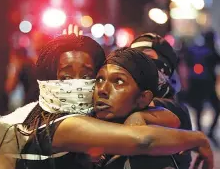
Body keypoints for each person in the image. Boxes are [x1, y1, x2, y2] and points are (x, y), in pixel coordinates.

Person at [15, 34, 213, 169]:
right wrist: (199, 139)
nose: (102, 89)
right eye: (99, 79)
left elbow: (173, 113)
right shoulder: (60, 124)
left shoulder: (109, 118)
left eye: (86, 77)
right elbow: (143, 140)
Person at [93, 47, 187, 168]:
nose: (102, 90)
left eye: (119, 81)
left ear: (143, 98)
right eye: (99, 79)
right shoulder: (85, 126)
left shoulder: (149, 159)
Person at [130, 33, 193, 168]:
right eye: (134, 58)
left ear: (166, 68)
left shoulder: (176, 110)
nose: (140, 64)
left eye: (148, 57)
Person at [184, 31, 220, 145]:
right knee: (216, 108)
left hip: (195, 83)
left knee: (198, 109)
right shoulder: (211, 52)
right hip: (207, 84)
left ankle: (200, 133)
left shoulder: (195, 50)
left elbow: (187, 63)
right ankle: (207, 133)